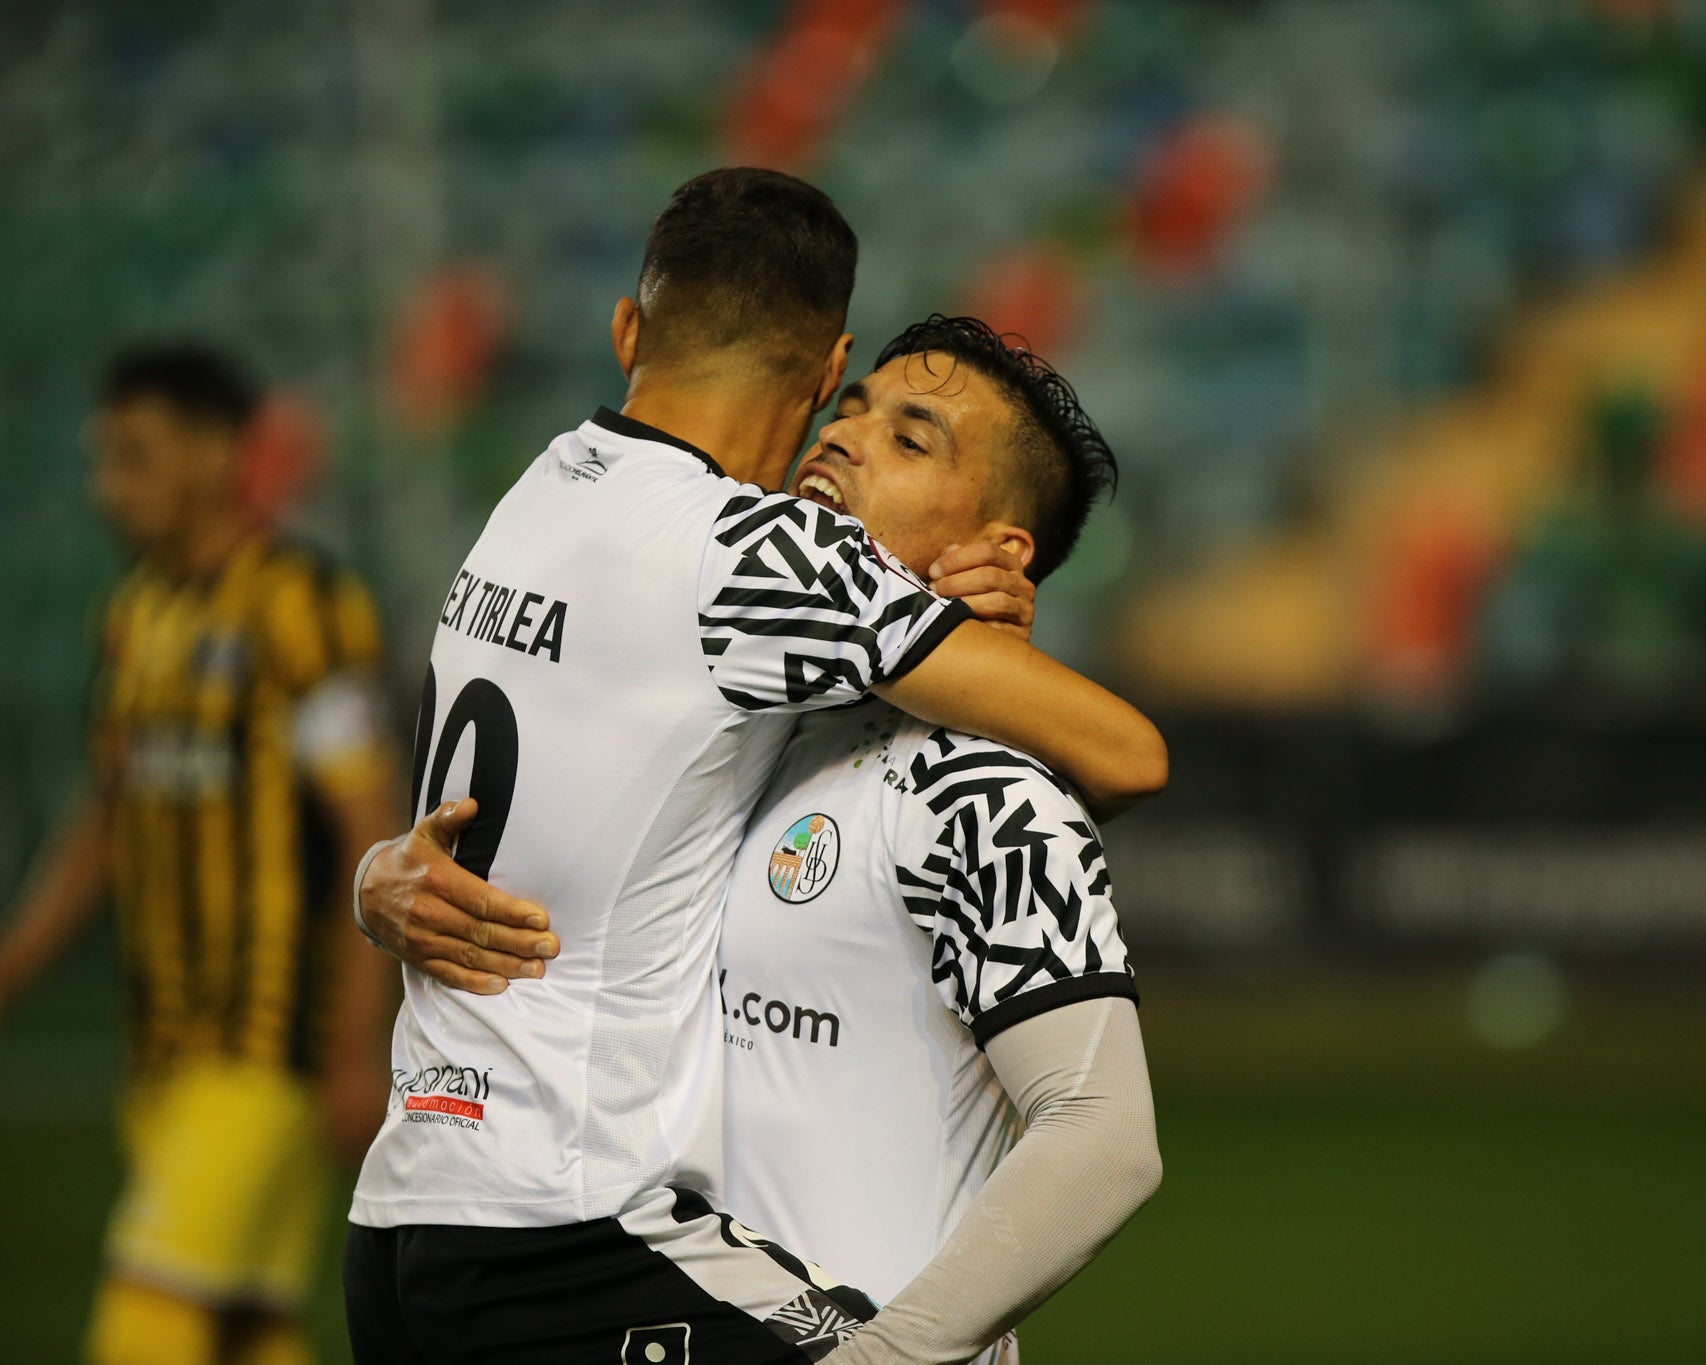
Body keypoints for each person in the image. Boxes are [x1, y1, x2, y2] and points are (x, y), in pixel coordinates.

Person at [342, 170, 1166, 1364]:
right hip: (574, 1239)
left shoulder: (547, 494)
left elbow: (1102, 1128)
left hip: (446, 1222)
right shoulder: (759, 594)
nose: (843, 437)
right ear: (822, 370)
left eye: (909, 436)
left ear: (628, 331)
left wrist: (383, 875)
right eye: (860, 407)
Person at [0, 343, 401, 1365]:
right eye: (104, 460)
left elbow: (371, 823)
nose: (108, 488)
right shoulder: (134, 616)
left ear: (221, 453)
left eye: (134, 457)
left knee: (145, 1331)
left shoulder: (298, 606)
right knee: (244, 1336)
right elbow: (107, 820)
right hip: (162, 1045)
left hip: (266, 1044)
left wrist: (360, 1037)